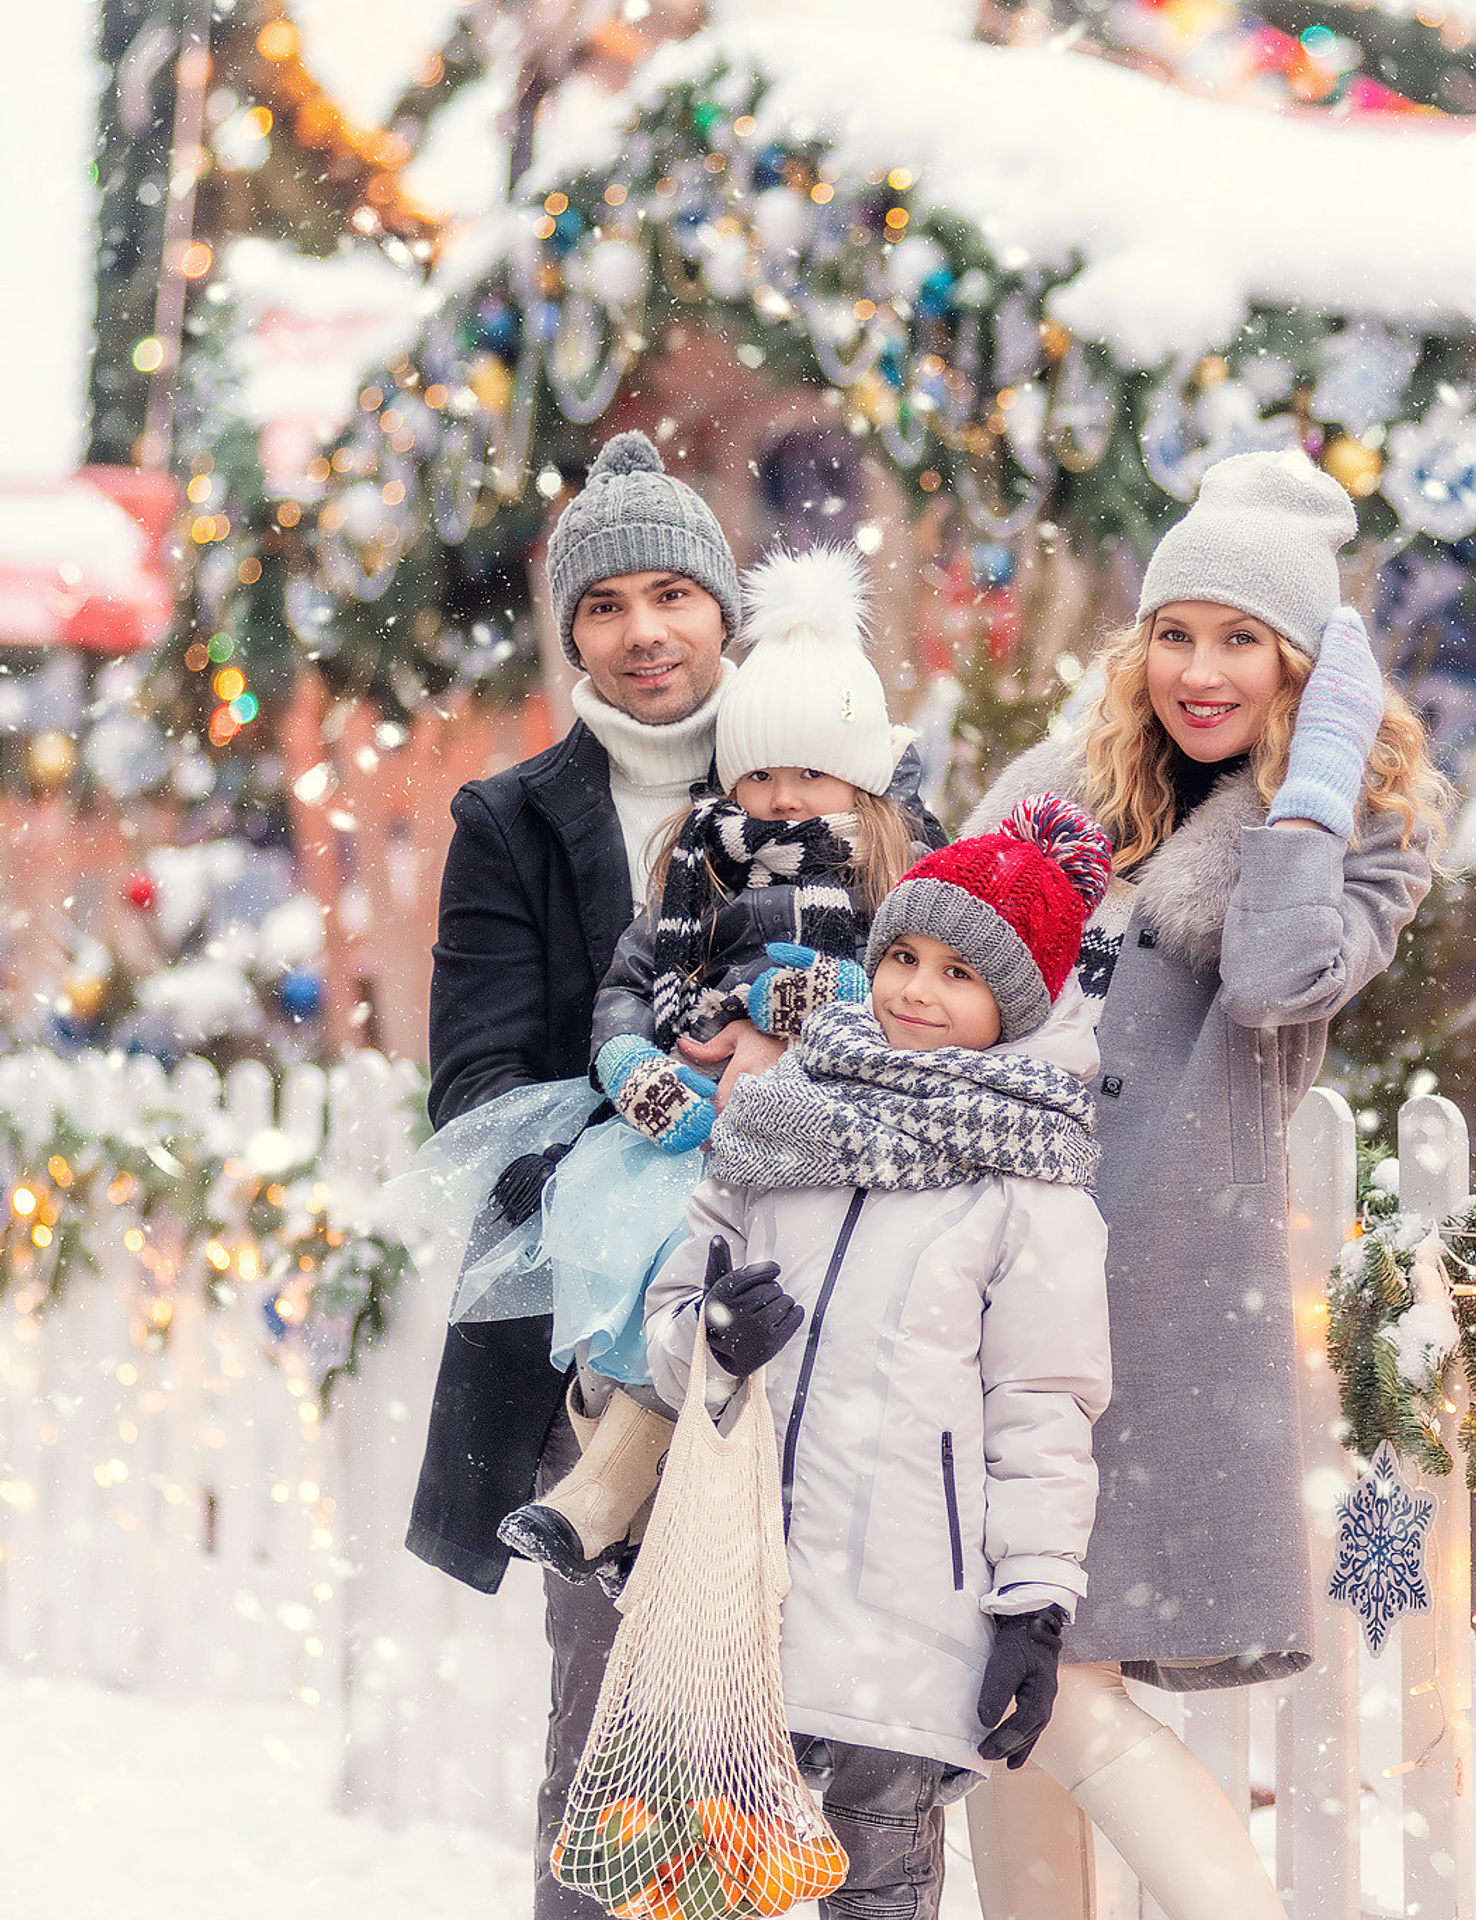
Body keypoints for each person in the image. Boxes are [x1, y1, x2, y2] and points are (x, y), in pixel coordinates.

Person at [403, 428, 939, 1920]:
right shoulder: (514, 827)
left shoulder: (845, 761)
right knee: (621, 1749)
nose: (643, 633)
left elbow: (953, 996)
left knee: (856, 1749)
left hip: (843, 1316)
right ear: (569, 629)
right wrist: (682, 1104)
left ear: (724, 607)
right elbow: (479, 1090)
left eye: (672, 596)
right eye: (604, 605)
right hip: (624, 1329)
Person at [960, 451, 1449, 1919]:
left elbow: (1274, 974)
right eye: (1175, 631)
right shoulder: (1059, 794)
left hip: (1157, 1281)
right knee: (991, 1675)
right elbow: (931, 972)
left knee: (1051, 1671)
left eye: (1244, 638)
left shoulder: (1367, 831)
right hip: (986, 1253)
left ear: (1308, 663)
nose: (1199, 669)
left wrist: (1307, 792)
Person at [642, 795, 1115, 1920]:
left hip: (910, 1616)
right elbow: (671, 1307)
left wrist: (1035, 1606)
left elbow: (1041, 1409)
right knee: (701, 1890)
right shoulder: (778, 1125)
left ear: (1013, 1003)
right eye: (901, 954)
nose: (914, 989)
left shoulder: (1029, 1185)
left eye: (959, 973)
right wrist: (708, 1343)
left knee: (878, 1894)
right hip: (742, 1605)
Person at [479, 543, 927, 1589]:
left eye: (808, 772)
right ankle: (620, 1516)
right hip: (687, 1136)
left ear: (859, 780)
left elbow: (919, 991)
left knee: (720, 1312)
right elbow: (635, 976)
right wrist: (630, 1061)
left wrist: (826, 1009)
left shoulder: (889, 877)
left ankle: (609, 1512)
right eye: (758, 772)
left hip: (817, 1149)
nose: (777, 798)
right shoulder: (698, 865)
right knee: (633, 1279)